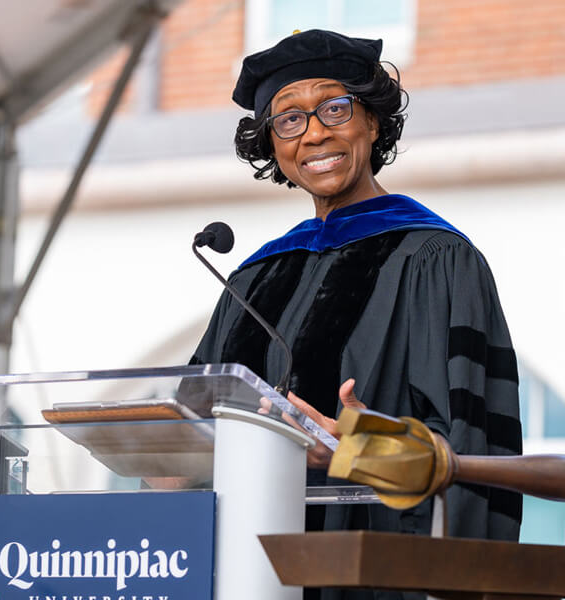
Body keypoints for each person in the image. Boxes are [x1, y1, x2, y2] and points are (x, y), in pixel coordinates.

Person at [190, 29, 522, 599]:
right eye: (289, 119)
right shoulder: (253, 278)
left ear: (371, 121)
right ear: (273, 146)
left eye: (334, 108)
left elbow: (474, 443)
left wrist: (367, 444)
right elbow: (189, 430)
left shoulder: (436, 259)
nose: (314, 131)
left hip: (377, 576)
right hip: (246, 575)